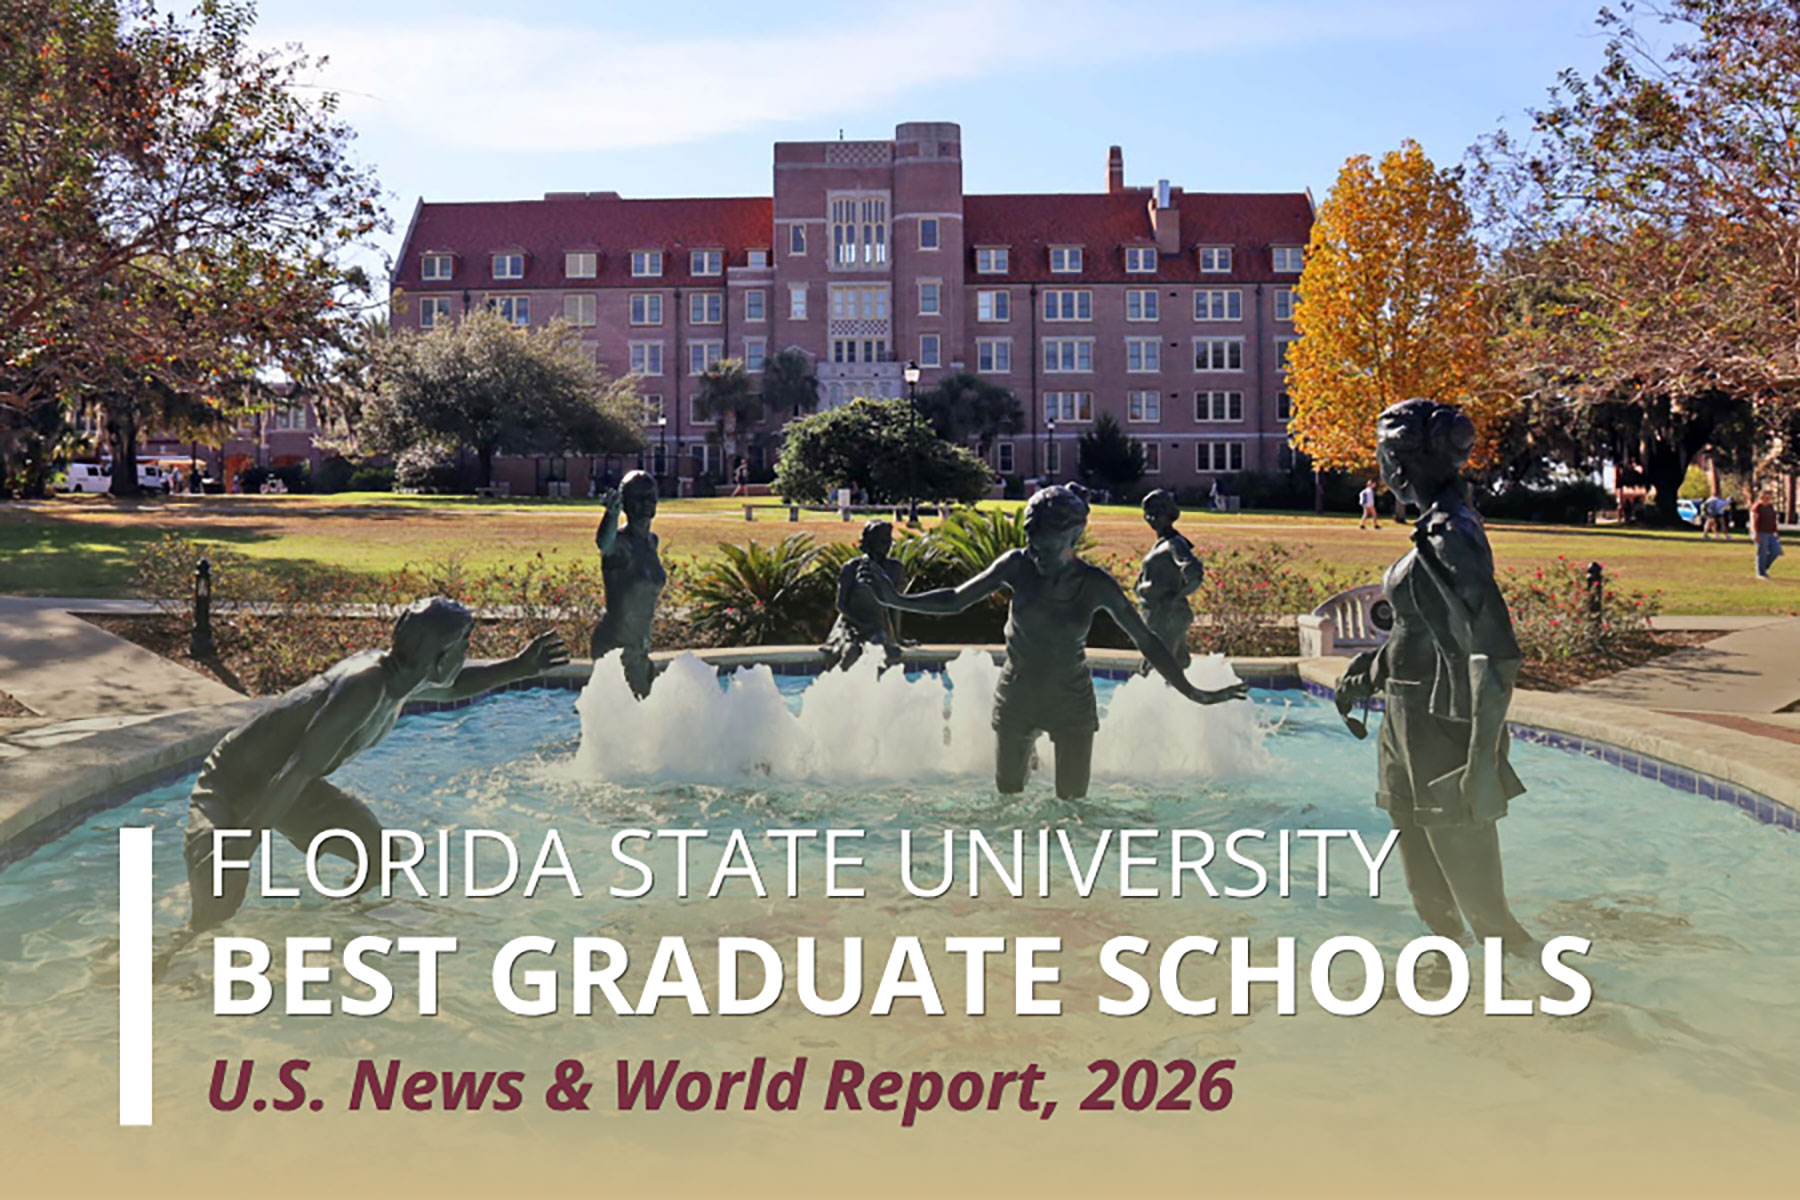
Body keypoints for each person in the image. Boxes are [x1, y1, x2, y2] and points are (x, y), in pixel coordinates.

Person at [182, 598, 568, 931]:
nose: (467, 655)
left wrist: (519, 667)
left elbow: (451, 687)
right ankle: (175, 954)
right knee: (220, 890)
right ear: (441, 656)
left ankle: (331, 923)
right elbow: (297, 770)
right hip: (230, 781)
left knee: (381, 857)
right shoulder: (364, 687)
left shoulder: (402, 676)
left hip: (288, 783)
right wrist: (240, 845)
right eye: (465, 647)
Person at [862, 485, 1248, 799]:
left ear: (1073, 537)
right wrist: (896, 600)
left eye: (1046, 544)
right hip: (1017, 698)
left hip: (1071, 703)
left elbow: (1146, 640)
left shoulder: (1094, 583)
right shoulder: (1017, 564)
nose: (1036, 551)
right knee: (1008, 802)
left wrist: (1195, 692)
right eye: (1031, 539)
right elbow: (956, 598)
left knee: (1073, 811)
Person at [1334, 398, 1537, 956]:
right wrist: (1372, 672)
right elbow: (1422, 629)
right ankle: (1461, 1010)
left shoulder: (1452, 537)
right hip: (1405, 728)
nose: (1380, 468)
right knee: (1429, 898)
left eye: (1382, 456)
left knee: (1489, 917)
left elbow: (1495, 654)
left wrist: (1482, 763)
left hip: (1443, 737)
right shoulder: (1431, 531)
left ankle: (1583, 1019)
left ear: (1399, 463)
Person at [590, 470, 667, 697]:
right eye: (638, 497)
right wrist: (610, 515)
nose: (646, 503)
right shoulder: (619, 545)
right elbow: (604, 543)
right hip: (616, 645)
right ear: (625, 503)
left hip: (639, 646)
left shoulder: (651, 542)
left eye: (651, 496)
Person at [820, 520, 908, 670]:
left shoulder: (895, 568)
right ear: (870, 542)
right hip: (850, 624)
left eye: (888, 539)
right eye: (882, 540)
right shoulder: (852, 567)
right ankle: (837, 685)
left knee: (881, 647)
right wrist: (861, 625)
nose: (887, 543)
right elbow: (841, 604)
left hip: (876, 625)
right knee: (852, 651)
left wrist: (897, 637)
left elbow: (896, 605)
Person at [1135, 490, 1205, 675]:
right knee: (1175, 664)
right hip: (1157, 614)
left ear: (1169, 514)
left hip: (1166, 616)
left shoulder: (1175, 544)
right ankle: (1179, 701)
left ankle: (1157, 702)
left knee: (1155, 668)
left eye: (1157, 512)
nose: (1151, 517)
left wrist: (1175, 599)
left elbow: (1194, 572)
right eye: (1148, 513)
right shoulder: (1162, 543)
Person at [1752, 490, 1781, 579]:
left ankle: (1763, 567)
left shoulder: (1770, 507)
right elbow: (1754, 521)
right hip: (1761, 532)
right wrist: (1756, 534)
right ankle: (1761, 573)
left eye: (1769, 498)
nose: (1768, 499)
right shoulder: (1757, 507)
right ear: (1762, 498)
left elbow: (1773, 519)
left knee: (1776, 551)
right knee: (1762, 553)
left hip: (1771, 532)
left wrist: (1776, 530)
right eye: (1766, 498)